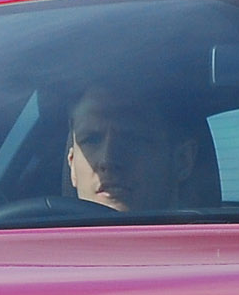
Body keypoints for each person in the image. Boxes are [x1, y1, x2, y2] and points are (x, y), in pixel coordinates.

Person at [65, 84, 211, 213]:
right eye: (90, 140)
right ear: (72, 165)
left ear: (182, 160)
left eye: (131, 139)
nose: (107, 160)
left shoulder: (223, 243)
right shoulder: (44, 237)